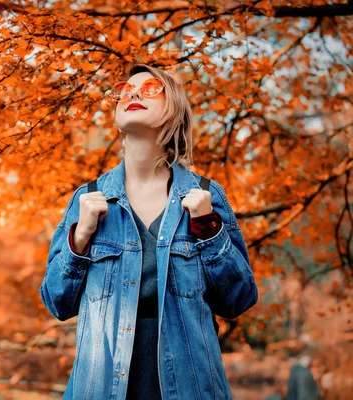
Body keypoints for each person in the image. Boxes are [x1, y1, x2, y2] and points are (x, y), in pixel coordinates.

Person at [39, 63, 258, 399]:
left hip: (192, 388)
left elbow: (238, 300)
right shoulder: (87, 199)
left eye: (151, 88)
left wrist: (209, 229)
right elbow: (57, 302)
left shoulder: (205, 196)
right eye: (124, 91)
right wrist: (79, 238)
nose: (134, 94)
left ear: (174, 110)